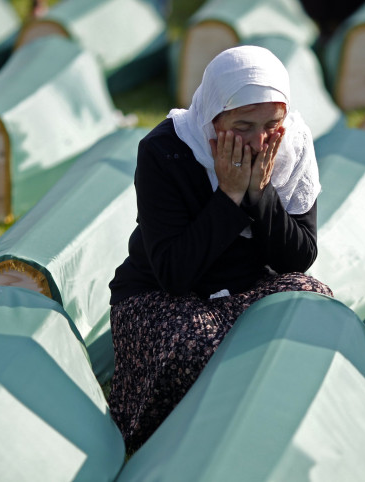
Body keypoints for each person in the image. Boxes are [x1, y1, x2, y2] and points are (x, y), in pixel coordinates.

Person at [108, 46, 332, 451]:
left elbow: (298, 258)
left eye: (271, 124)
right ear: (214, 117)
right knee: (201, 348)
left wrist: (259, 194)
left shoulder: (291, 145)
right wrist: (228, 195)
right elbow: (174, 274)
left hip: (247, 290)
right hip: (162, 296)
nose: (259, 141)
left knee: (315, 304)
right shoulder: (166, 151)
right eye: (243, 125)